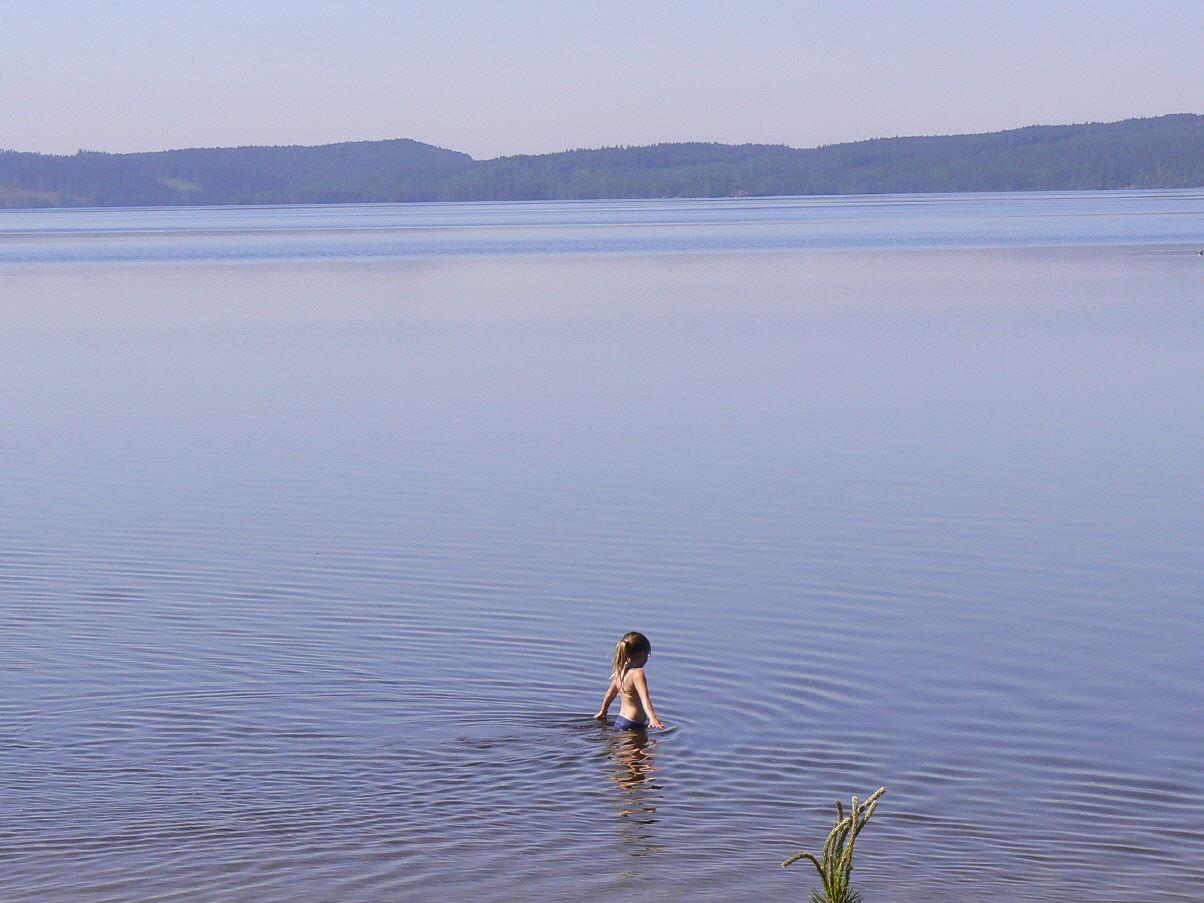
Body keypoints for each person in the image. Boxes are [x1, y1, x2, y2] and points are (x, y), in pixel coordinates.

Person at [594, 631, 664, 730]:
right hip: (633, 724)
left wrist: (603, 710)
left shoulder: (620, 671)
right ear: (642, 653)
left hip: (620, 720)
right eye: (648, 654)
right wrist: (652, 718)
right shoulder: (637, 673)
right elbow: (644, 697)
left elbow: (610, 693)